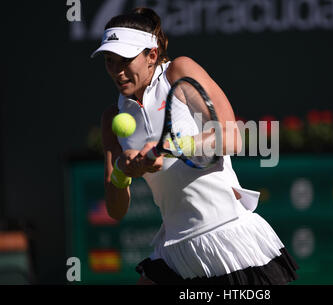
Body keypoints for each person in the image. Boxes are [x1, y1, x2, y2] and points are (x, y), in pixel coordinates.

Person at [92, 7, 299, 285]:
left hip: (228, 238)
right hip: (174, 253)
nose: (117, 71)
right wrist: (123, 169)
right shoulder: (112, 118)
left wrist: (166, 148)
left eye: (125, 60)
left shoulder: (179, 72)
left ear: (151, 55)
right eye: (109, 61)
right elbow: (116, 210)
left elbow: (232, 137)